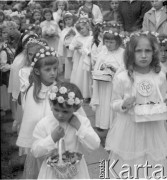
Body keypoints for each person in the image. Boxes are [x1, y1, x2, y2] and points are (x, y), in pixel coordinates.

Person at [106, 32, 167, 178]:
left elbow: (163, 97)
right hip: (129, 128)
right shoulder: (123, 78)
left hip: (153, 128)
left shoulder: (159, 76)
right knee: (129, 163)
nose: (144, 55)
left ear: (154, 52)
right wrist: (123, 104)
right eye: (138, 51)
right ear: (130, 53)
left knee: (152, 162)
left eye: (148, 51)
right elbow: (113, 103)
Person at [31, 82, 100, 179]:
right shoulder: (44, 124)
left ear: (75, 108)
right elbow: (35, 151)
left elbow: (94, 145)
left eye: (65, 111)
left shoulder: (80, 122)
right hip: (52, 173)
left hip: (76, 172)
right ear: (51, 105)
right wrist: (51, 138)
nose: (60, 115)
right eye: (56, 110)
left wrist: (79, 127)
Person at [16, 46, 59, 179]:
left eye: (55, 69)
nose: (53, 73)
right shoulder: (32, 91)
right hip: (40, 141)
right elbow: (30, 116)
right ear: (37, 71)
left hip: (58, 140)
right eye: (48, 69)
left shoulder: (61, 90)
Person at [90, 30, 125, 145]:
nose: (108, 45)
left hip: (115, 87)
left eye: (111, 42)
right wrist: (101, 68)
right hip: (103, 86)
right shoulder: (103, 52)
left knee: (113, 107)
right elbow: (97, 66)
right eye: (106, 42)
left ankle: (116, 132)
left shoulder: (123, 53)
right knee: (104, 107)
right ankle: (105, 130)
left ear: (118, 42)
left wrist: (114, 69)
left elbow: (125, 70)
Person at [69, 17, 93, 100]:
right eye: (79, 30)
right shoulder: (77, 37)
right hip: (80, 60)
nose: (81, 31)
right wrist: (75, 47)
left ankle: (90, 94)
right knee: (81, 75)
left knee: (89, 75)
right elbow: (71, 46)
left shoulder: (92, 36)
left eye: (82, 28)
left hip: (89, 57)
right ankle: (83, 93)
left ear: (87, 27)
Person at [58, 11, 77, 80]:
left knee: (76, 64)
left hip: (76, 50)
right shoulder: (64, 31)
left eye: (69, 19)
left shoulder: (76, 29)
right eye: (66, 20)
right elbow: (62, 40)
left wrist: (74, 34)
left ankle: (76, 78)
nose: (68, 21)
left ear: (73, 19)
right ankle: (69, 78)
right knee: (69, 65)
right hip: (68, 51)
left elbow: (79, 37)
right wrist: (67, 36)